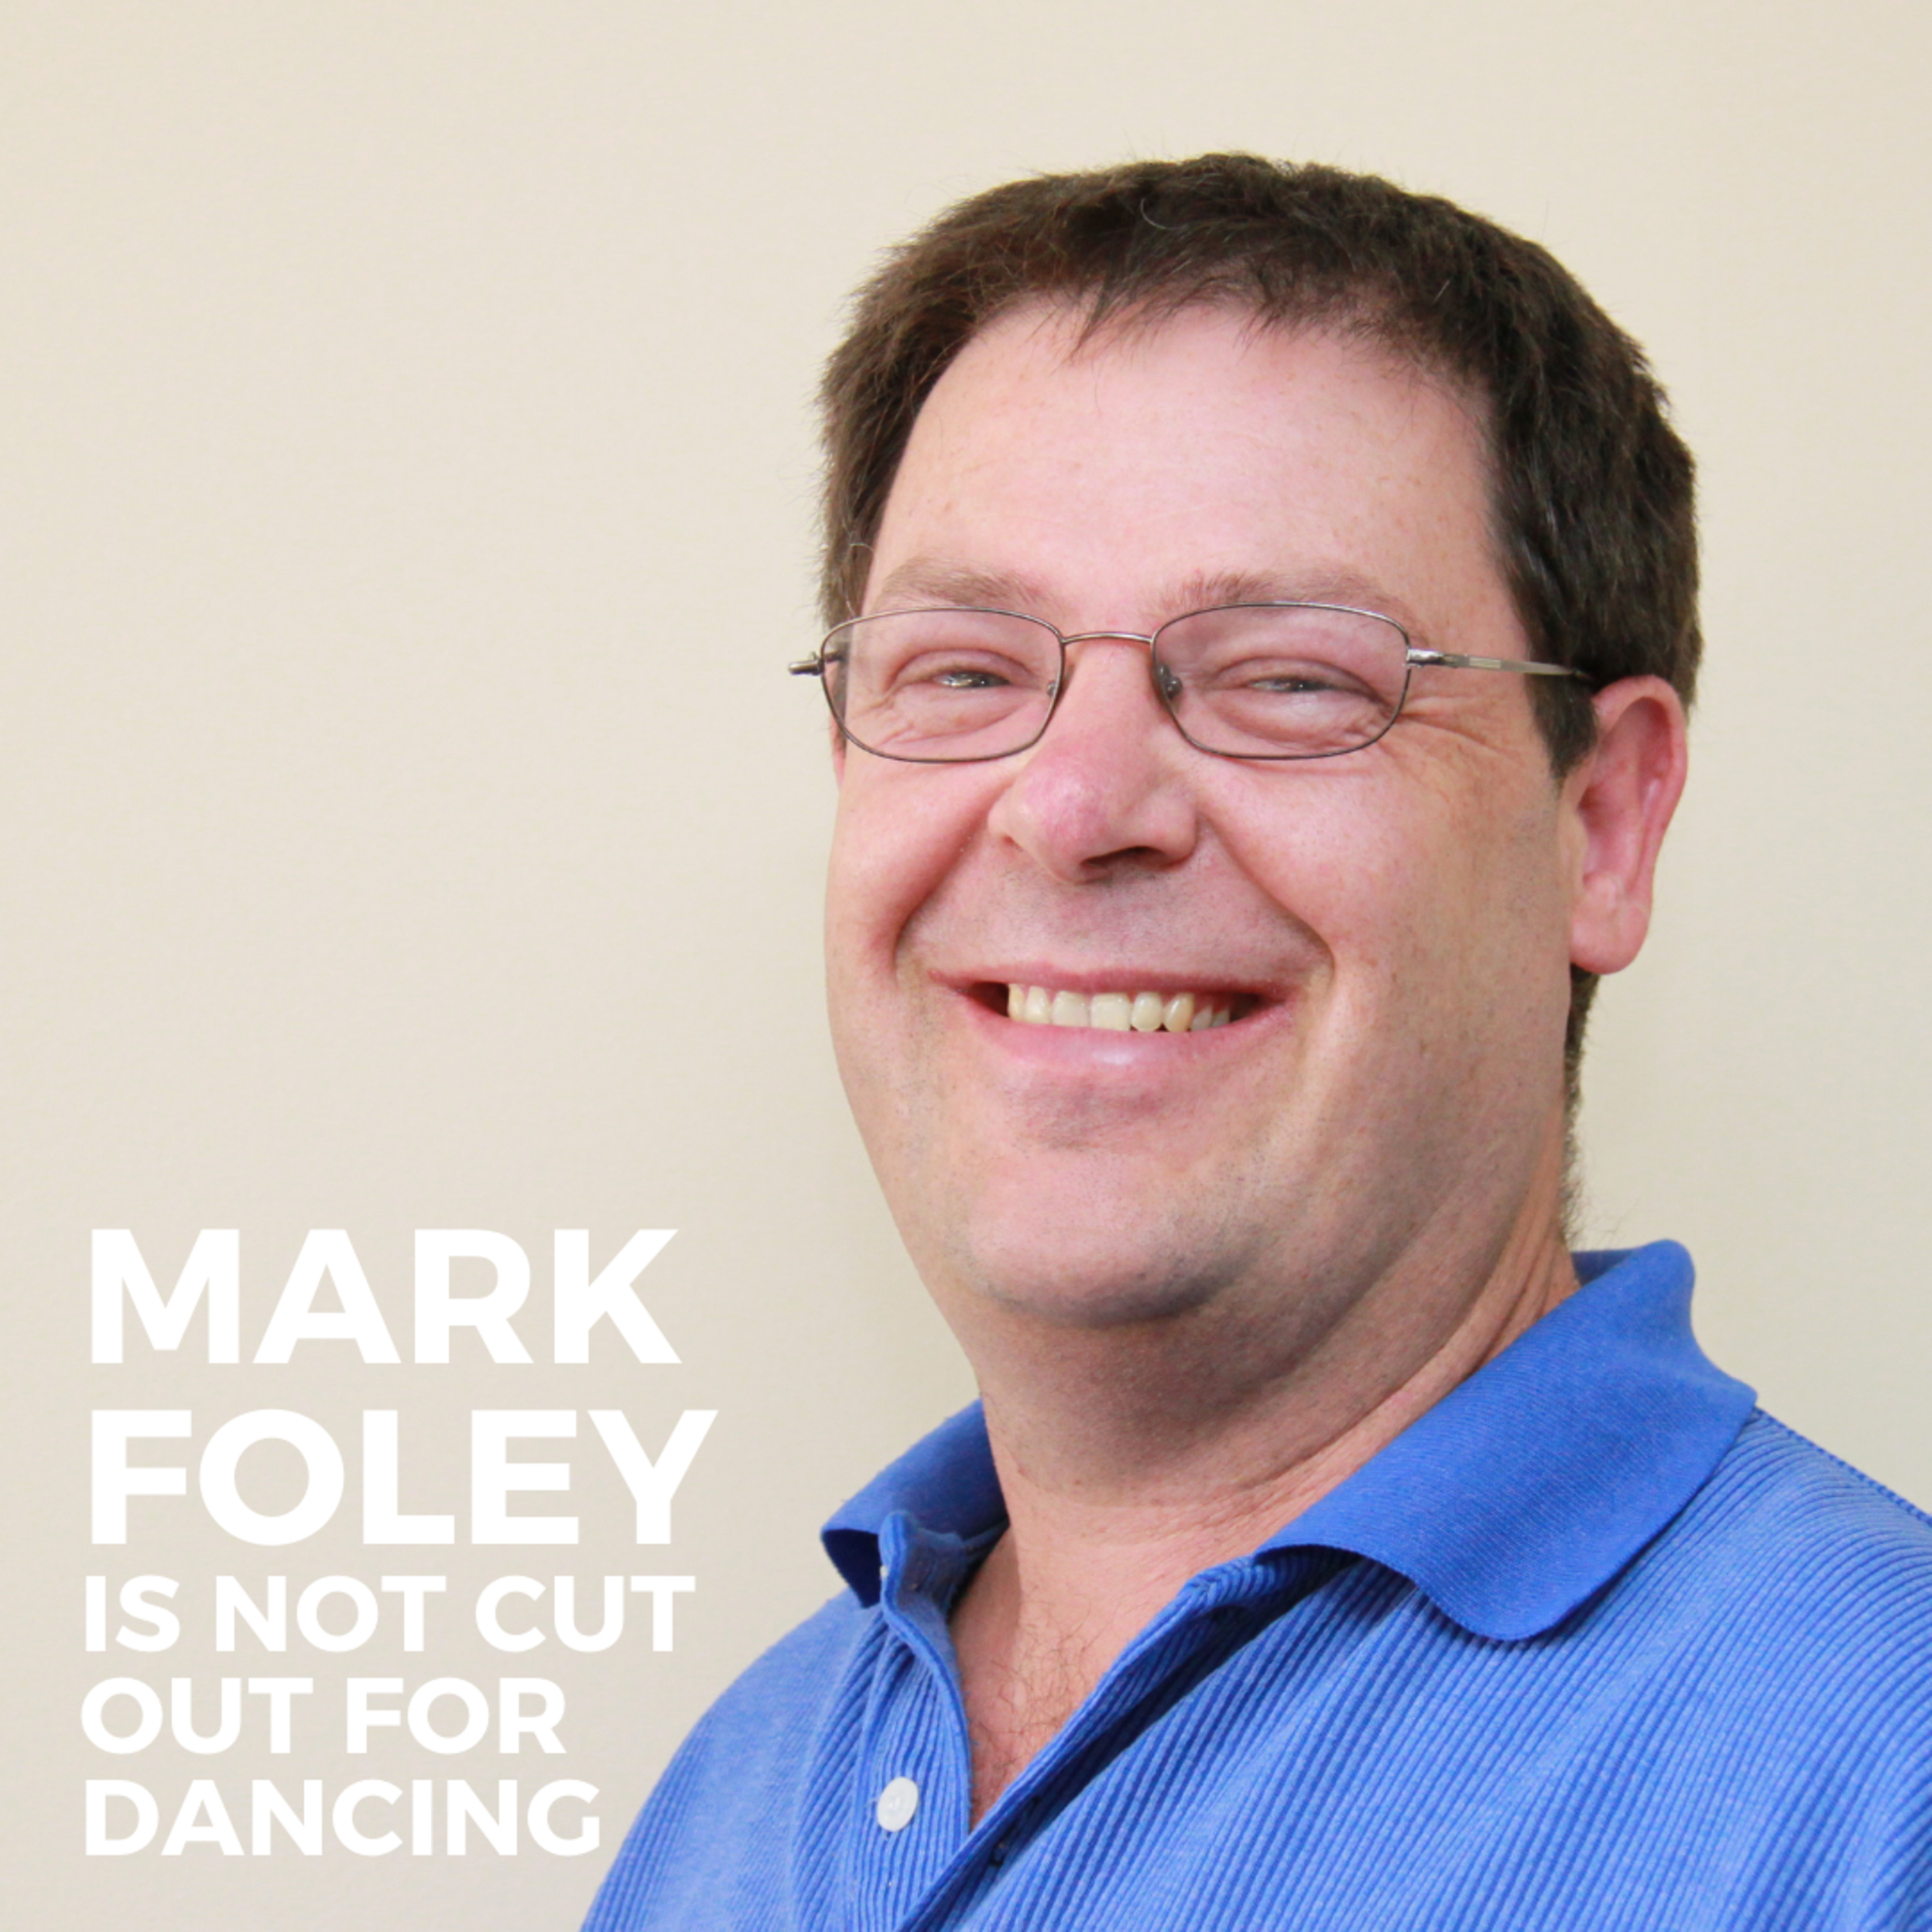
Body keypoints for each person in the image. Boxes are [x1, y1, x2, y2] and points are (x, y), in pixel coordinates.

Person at [585, 155, 1932, 1929]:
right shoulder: (734, 1799)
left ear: (1602, 824)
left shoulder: (1882, 1778)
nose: (1074, 806)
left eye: (1292, 678)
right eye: (966, 673)